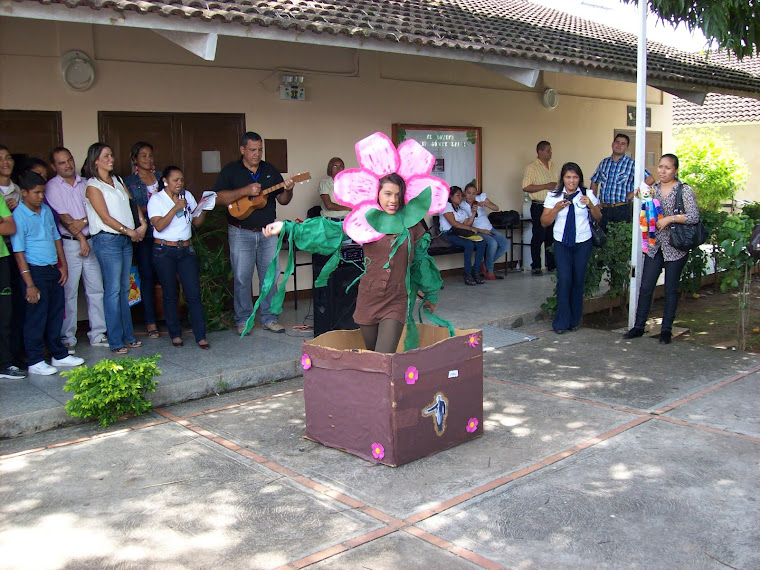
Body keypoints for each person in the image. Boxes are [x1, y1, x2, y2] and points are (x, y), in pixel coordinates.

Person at [264, 173, 437, 354]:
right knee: (373, 357)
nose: (393, 200)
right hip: (368, 300)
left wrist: (430, 294)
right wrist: (286, 227)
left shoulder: (412, 225)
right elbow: (328, 230)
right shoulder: (365, 221)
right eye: (387, 194)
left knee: (383, 358)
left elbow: (420, 260)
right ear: (377, 194)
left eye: (397, 194)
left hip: (396, 300)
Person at [213, 131, 295, 336]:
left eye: (260, 150)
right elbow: (218, 198)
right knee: (242, 277)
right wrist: (244, 191)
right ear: (242, 150)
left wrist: (289, 188)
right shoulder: (231, 171)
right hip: (241, 232)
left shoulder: (270, 170)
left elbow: (284, 200)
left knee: (271, 276)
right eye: (252, 150)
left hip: (268, 232)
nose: (257, 154)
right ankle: (243, 319)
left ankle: (270, 318)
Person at [11, 172, 85, 375]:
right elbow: (18, 253)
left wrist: (63, 265)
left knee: (55, 313)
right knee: (36, 316)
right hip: (35, 271)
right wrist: (29, 284)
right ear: (24, 193)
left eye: (43, 192)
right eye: (36, 193)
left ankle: (58, 355)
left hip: (53, 268)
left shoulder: (45, 210)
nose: (41, 196)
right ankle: (35, 360)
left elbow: (56, 239)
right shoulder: (18, 215)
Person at [623, 154, 699, 345]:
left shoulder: (684, 190)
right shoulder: (653, 189)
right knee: (646, 287)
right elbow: (637, 203)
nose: (662, 171)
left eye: (667, 168)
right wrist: (641, 193)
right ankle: (639, 326)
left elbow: (693, 216)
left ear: (675, 170)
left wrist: (670, 219)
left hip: (675, 246)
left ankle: (666, 330)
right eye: (660, 167)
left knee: (671, 289)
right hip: (654, 246)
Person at [84, 143, 146, 355]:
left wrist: (141, 222)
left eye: (111, 154)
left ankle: (128, 337)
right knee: (113, 291)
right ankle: (116, 341)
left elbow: (132, 203)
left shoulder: (118, 180)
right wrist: (129, 231)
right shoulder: (93, 186)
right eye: (106, 156)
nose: (111, 158)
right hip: (108, 240)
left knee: (124, 289)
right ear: (95, 161)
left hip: (125, 240)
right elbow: (105, 217)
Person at [44, 147, 108, 349]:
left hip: (92, 240)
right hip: (69, 243)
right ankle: (68, 337)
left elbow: (97, 211)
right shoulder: (52, 187)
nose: (68, 165)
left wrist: (83, 223)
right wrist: (81, 238)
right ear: (54, 166)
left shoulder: (86, 183)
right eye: (61, 162)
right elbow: (64, 218)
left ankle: (98, 333)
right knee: (69, 292)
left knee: (96, 289)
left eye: (69, 160)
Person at [148, 166, 210, 349]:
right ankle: (175, 334)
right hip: (164, 250)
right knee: (169, 293)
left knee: (193, 293)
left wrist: (204, 209)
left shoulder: (187, 196)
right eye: (175, 180)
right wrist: (175, 207)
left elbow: (196, 223)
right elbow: (159, 226)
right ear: (165, 181)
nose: (179, 183)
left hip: (186, 250)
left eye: (181, 180)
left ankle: (201, 335)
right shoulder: (156, 199)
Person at [540, 162, 601, 334]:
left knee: (578, 280)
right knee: (565, 279)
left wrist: (590, 205)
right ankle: (560, 323)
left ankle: (575, 320)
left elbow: (599, 217)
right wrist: (556, 209)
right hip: (561, 242)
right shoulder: (553, 196)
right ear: (563, 179)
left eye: (575, 177)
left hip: (583, 242)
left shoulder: (587, 194)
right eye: (568, 177)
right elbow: (544, 222)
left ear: (579, 178)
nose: (571, 181)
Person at [123, 142, 161, 339]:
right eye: (143, 155)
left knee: (165, 275)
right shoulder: (129, 182)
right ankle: (150, 321)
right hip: (144, 235)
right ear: (135, 159)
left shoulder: (162, 178)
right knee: (146, 276)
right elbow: (130, 208)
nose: (148, 159)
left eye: (150, 155)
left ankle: (168, 318)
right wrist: (150, 211)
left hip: (164, 234)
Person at [590, 133, 654, 229]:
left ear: (627, 147)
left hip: (621, 209)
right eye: (617, 142)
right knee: (602, 239)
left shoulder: (632, 164)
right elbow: (594, 182)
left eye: (623, 144)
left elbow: (650, 179)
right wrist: (594, 203)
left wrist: (633, 193)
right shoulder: (604, 163)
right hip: (603, 209)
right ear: (612, 144)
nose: (619, 145)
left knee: (620, 241)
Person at [0, 145, 26, 368]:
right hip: (4, 253)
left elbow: (13, 226)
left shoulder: (19, 189)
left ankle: (16, 354)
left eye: (8, 157)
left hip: (18, 253)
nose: (5, 162)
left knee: (16, 306)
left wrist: (16, 210)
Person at [523, 141, 559, 276]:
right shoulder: (531, 167)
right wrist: (545, 186)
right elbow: (526, 187)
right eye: (548, 150)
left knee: (551, 236)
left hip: (552, 205)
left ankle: (551, 265)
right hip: (538, 205)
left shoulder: (552, 165)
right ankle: (536, 265)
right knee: (538, 236)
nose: (550, 153)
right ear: (540, 151)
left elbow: (554, 183)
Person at [440, 186, 487, 286]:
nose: (460, 197)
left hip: (461, 233)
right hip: (448, 234)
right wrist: (470, 229)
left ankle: (476, 271)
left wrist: (474, 213)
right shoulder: (446, 206)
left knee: (481, 243)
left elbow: (468, 223)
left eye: (461, 195)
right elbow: (454, 224)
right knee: (469, 244)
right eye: (458, 195)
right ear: (450, 196)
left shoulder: (461, 209)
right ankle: (467, 273)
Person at [464, 182, 509, 280]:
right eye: (468, 193)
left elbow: (496, 208)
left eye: (473, 193)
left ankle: (485, 264)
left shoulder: (480, 198)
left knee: (505, 244)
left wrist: (486, 204)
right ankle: (490, 270)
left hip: (489, 228)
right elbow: (466, 225)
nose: (471, 196)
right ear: (465, 193)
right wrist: (482, 230)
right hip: (477, 230)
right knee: (492, 243)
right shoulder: (463, 205)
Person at [0, 189, 23, 378]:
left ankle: (5, 363)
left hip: (2, 258)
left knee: (5, 314)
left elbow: (10, 227)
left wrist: (4, 221)